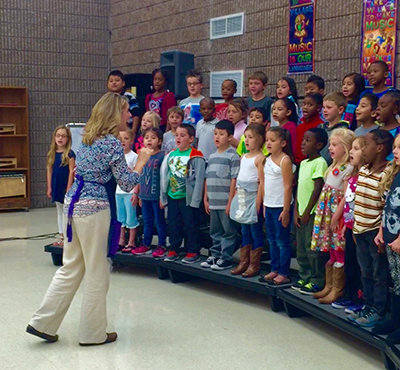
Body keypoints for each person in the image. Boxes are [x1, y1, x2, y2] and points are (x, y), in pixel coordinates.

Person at [27, 92, 151, 345]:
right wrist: (142, 162)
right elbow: (127, 183)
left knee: (70, 267)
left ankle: (42, 322)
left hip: (74, 204)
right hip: (95, 208)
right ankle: (92, 333)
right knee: (97, 270)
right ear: (114, 113)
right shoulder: (112, 143)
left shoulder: (83, 139)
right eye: (126, 111)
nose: (129, 115)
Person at [349, 129, 393, 327]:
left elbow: (385, 207)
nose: (363, 149)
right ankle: (367, 305)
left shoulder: (386, 174)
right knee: (364, 271)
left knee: (378, 273)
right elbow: (358, 200)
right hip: (360, 229)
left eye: (366, 145)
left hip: (375, 233)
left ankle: (378, 309)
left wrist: (381, 234)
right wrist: (356, 227)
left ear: (380, 148)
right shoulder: (364, 170)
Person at [309, 128, 355, 299]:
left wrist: (337, 216)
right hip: (327, 213)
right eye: (330, 144)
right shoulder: (333, 166)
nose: (330, 148)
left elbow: (346, 196)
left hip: (337, 215)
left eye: (335, 145)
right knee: (331, 250)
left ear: (346, 147)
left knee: (338, 248)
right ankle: (329, 285)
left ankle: (338, 289)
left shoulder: (348, 169)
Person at [160, 124, 206, 263]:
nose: (178, 138)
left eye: (182, 135)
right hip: (173, 196)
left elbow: (199, 180)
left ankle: (192, 250)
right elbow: (164, 176)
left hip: (188, 198)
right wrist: (163, 196)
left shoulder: (196, 156)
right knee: (173, 223)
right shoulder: (171, 155)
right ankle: (174, 248)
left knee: (190, 224)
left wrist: (196, 200)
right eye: (176, 135)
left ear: (191, 139)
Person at [331, 136, 366, 313]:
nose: (351, 152)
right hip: (349, 225)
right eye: (351, 148)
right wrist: (339, 218)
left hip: (361, 228)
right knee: (350, 263)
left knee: (361, 266)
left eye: (356, 148)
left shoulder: (366, 177)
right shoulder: (352, 176)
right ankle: (349, 294)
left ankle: (360, 299)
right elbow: (347, 200)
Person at [291, 128, 328, 293]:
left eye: (308, 140)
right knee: (301, 249)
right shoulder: (303, 163)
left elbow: (317, 188)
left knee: (311, 248)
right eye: (303, 139)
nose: (303, 143)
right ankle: (304, 276)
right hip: (301, 213)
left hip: (312, 214)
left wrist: (307, 212)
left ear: (319, 145)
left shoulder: (319, 162)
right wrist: (296, 211)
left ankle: (316, 279)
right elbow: (300, 188)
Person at [202, 120, 240, 270]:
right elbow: (207, 178)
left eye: (222, 134)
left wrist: (230, 201)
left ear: (230, 137)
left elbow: (234, 180)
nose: (217, 137)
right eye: (215, 134)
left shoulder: (233, 156)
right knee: (215, 230)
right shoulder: (211, 156)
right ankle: (215, 254)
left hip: (225, 201)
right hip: (213, 201)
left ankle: (226, 257)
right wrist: (205, 198)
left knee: (228, 231)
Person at [373, 135, 400, 343]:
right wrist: (381, 231)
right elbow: (388, 206)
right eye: (395, 147)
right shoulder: (395, 173)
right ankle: (395, 320)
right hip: (390, 238)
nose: (396, 151)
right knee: (396, 281)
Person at [260, 127, 294, 285]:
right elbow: (264, 183)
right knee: (272, 239)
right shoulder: (265, 159)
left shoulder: (284, 160)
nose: (268, 143)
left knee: (282, 241)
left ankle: (283, 272)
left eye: (273, 140)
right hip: (270, 205)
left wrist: (286, 210)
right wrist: (265, 204)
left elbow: (288, 186)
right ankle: (274, 268)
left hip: (281, 206)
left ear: (283, 143)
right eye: (267, 140)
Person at [231, 124, 265, 278]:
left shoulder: (260, 158)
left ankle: (254, 264)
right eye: (245, 137)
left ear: (260, 140)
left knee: (255, 230)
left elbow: (261, 182)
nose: (246, 140)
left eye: (251, 137)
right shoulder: (243, 157)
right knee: (244, 230)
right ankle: (243, 261)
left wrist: (258, 201)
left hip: (253, 196)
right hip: (242, 196)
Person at [137, 127, 167, 258]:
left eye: (153, 138)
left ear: (159, 141)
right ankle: (146, 244)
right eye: (147, 138)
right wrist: (138, 194)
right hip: (144, 195)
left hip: (156, 196)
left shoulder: (162, 156)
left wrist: (162, 197)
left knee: (159, 221)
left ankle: (162, 245)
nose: (149, 140)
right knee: (147, 221)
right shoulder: (142, 155)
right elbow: (139, 174)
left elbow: (164, 177)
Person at [46, 125, 75, 247]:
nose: (60, 138)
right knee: (59, 210)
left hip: (65, 184)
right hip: (56, 183)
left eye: (63, 136)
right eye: (58, 135)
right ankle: (61, 235)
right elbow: (49, 170)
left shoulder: (70, 154)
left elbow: (71, 171)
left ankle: (68, 235)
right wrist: (49, 187)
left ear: (68, 139)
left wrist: (69, 186)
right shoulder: (52, 153)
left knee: (66, 211)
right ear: (54, 138)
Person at [116, 130, 139, 253]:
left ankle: (132, 241)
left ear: (131, 141)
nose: (122, 141)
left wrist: (135, 193)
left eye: (125, 138)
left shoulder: (134, 157)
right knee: (121, 218)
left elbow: (138, 176)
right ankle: (121, 240)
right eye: (120, 139)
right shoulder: (117, 157)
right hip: (118, 191)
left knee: (131, 217)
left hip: (130, 192)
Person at [107, 70, 140, 137]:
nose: (114, 83)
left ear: (123, 83)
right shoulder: (107, 99)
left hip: (127, 128)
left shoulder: (129, 96)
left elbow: (136, 114)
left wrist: (133, 131)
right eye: (111, 81)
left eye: (117, 80)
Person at [320, 92, 350, 164]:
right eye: (324, 107)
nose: (325, 110)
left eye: (329, 107)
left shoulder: (343, 131)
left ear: (340, 110)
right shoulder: (321, 127)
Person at [295, 93, 324, 165]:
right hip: (297, 161)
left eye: (310, 105)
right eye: (304, 104)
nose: (305, 107)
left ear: (318, 108)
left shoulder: (319, 125)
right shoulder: (300, 126)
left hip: (310, 162)